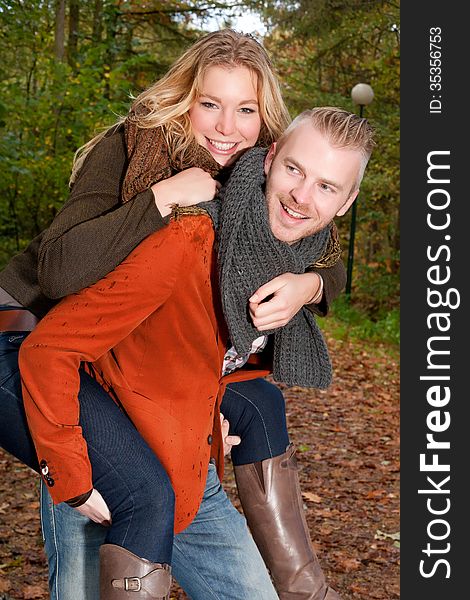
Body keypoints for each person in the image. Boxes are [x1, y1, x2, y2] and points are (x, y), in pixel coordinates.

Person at [0, 30, 345, 599]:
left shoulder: (263, 174)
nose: (225, 128)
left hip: (129, 354)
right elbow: (58, 271)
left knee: (259, 406)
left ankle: (302, 586)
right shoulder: (135, 148)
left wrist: (309, 287)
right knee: (120, 489)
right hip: (36, 330)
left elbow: (322, 248)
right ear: (186, 100)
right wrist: (159, 198)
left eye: (246, 110)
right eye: (210, 104)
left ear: (266, 121)